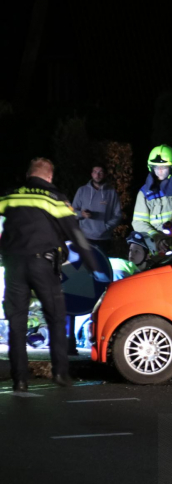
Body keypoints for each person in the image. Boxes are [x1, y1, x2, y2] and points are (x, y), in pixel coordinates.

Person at [0, 158, 106, 392]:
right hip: (43, 266)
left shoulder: (11, 195)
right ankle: (60, 373)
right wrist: (94, 267)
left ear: (29, 175)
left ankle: (20, 380)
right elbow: (76, 234)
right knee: (56, 318)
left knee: (17, 324)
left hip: (14, 265)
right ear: (49, 177)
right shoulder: (54, 198)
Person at [132, 145, 172, 254]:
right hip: (157, 250)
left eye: (164, 167)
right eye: (156, 167)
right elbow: (139, 222)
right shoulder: (144, 193)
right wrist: (156, 237)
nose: (160, 170)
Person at [72, 165, 122, 256]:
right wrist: (81, 214)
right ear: (91, 174)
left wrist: (106, 227)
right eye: (95, 172)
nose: (97, 175)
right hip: (85, 237)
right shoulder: (82, 190)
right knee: (86, 267)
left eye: (100, 172)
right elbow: (72, 212)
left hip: (104, 239)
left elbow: (117, 214)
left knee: (102, 267)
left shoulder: (111, 192)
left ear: (105, 175)